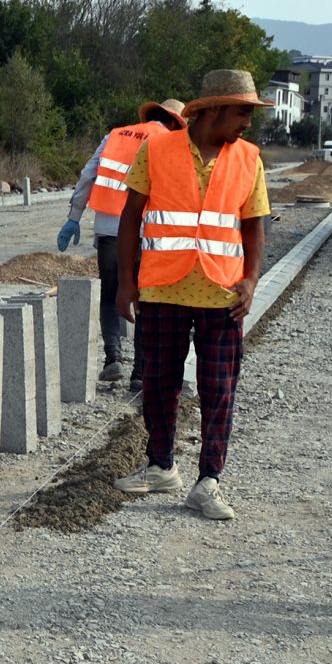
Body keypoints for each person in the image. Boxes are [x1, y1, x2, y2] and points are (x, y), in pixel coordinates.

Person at [112, 69, 272, 521]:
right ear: (213, 110)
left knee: (218, 389)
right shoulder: (157, 149)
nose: (248, 122)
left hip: (223, 292)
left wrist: (252, 280)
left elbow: (254, 223)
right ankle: (161, 465)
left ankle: (209, 480)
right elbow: (130, 216)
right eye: (242, 112)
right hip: (163, 287)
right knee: (159, 384)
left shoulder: (250, 158)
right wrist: (126, 282)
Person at [59, 97, 186, 387]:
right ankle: (140, 372)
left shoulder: (115, 136)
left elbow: (88, 174)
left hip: (108, 230)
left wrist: (74, 216)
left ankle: (113, 358)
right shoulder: (172, 143)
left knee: (110, 294)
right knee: (145, 301)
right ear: (174, 122)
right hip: (148, 234)